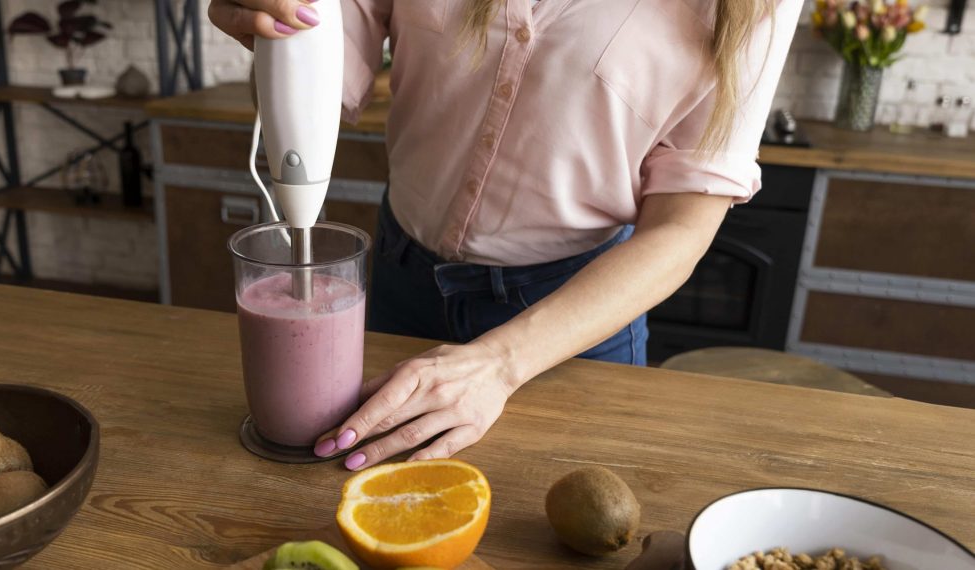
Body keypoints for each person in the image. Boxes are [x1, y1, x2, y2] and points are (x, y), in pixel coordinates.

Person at [209, 0, 802, 471]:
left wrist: (499, 365)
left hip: (570, 323)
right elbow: (312, 71)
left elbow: (682, 229)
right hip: (397, 280)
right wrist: (273, 33)